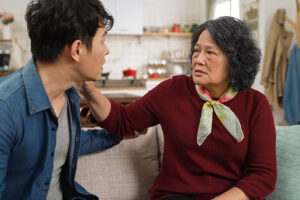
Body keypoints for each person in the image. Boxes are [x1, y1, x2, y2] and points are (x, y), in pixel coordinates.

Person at [80, 16, 277, 200]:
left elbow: (262, 175)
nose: (198, 59)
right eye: (196, 51)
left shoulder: (256, 104)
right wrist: (87, 88)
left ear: (235, 63)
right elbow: (122, 121)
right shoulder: (173, 90)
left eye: (210, 53)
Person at [0, 0, 144, 199]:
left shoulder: (69, 95)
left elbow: (67, 141)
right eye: (102, 41)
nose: (106, 50)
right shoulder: (5, 107)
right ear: (76, 50)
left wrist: (118, 133)